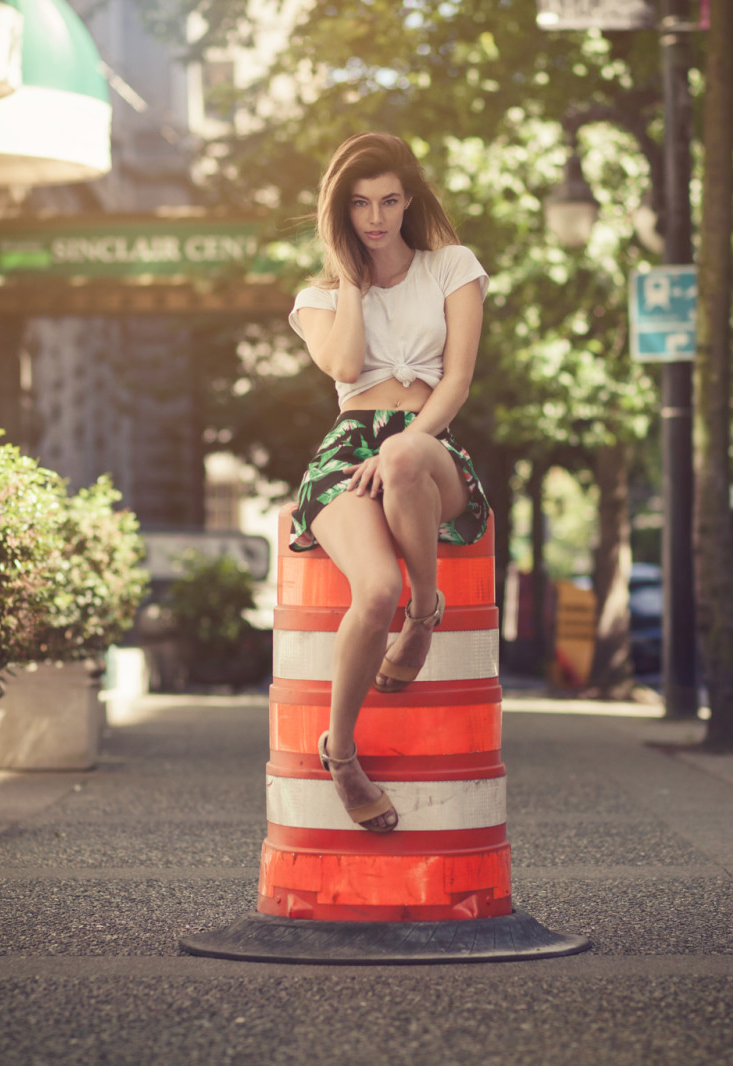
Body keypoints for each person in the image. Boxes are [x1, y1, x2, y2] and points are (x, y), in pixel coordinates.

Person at [287, 132, 491, 833]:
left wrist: (411, 436)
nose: (376, 217)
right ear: (341, 213)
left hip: (428, 441)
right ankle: (340, 756)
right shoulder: (317, 297)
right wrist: (350, 278)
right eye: (360, 204)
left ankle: (425, 614)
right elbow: (345, 368)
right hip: (346, 449)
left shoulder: (452, 267)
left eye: (389, 201)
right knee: (373, 591)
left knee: (403, 458)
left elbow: (458, 379)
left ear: (409, 201)